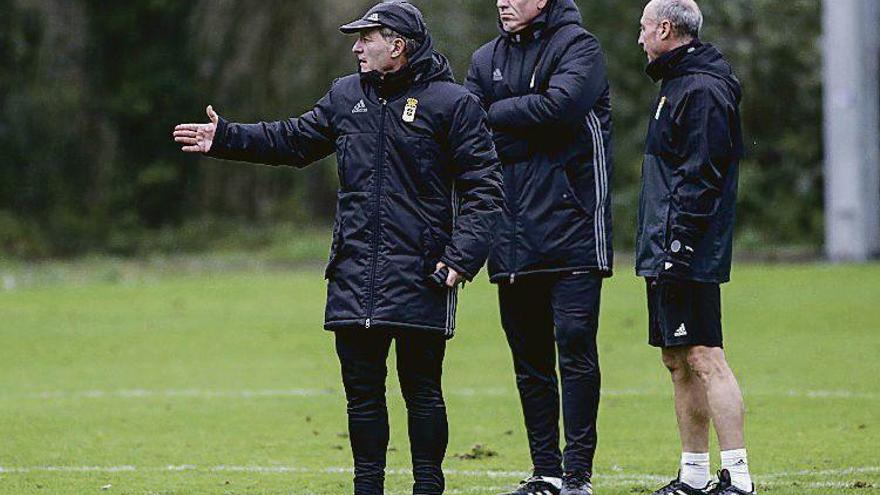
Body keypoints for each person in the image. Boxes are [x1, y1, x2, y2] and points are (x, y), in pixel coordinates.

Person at [172, 2, 503, 494]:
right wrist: (226, 137)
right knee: (362, 398)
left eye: (366, 38)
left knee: (422, 393)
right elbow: (292, 140)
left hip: (423, 274)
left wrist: (460, 258)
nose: (355, 47)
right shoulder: (346, 96)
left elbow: (486, 189)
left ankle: (428, 487)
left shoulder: (453, 104)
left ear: (398, 45)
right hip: (353, 273)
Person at [464, 0, 613, 493]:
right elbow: (472, 131)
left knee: (574, 346)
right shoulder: (485, 59)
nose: (503, 1)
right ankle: (546, 471)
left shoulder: (580, 47)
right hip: (509, 234)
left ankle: (578, 476)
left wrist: (500, 113)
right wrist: (528, 123)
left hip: (572, 230)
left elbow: (562, 110)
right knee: (528, 358)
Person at [636, 1, 755, 494]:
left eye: (643, 29)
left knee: (706, 356)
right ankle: (693, 476)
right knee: (677, 360)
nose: (639, 39)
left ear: (665, 28)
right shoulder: (676, 85)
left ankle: (738, 478)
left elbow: (701, 175)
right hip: (664, 243)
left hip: (686, 246)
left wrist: (680, 245)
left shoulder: (702, 89)